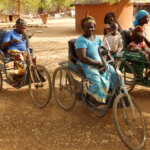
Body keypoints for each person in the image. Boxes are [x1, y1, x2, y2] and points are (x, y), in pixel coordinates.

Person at [75, 16, 120, 106]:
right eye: (87, 27)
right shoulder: (81, 40)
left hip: (100, 63)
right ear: (83, 28)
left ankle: (115, 94)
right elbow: (82, 57)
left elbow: (103, 51)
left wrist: (103, 62)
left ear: (94, 27)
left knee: (115, 74)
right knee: (98, 83)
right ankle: (90, 98)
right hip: (88, 65)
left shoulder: (97, 39)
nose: (90, 29)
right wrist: (98, 63)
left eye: (92, 27)